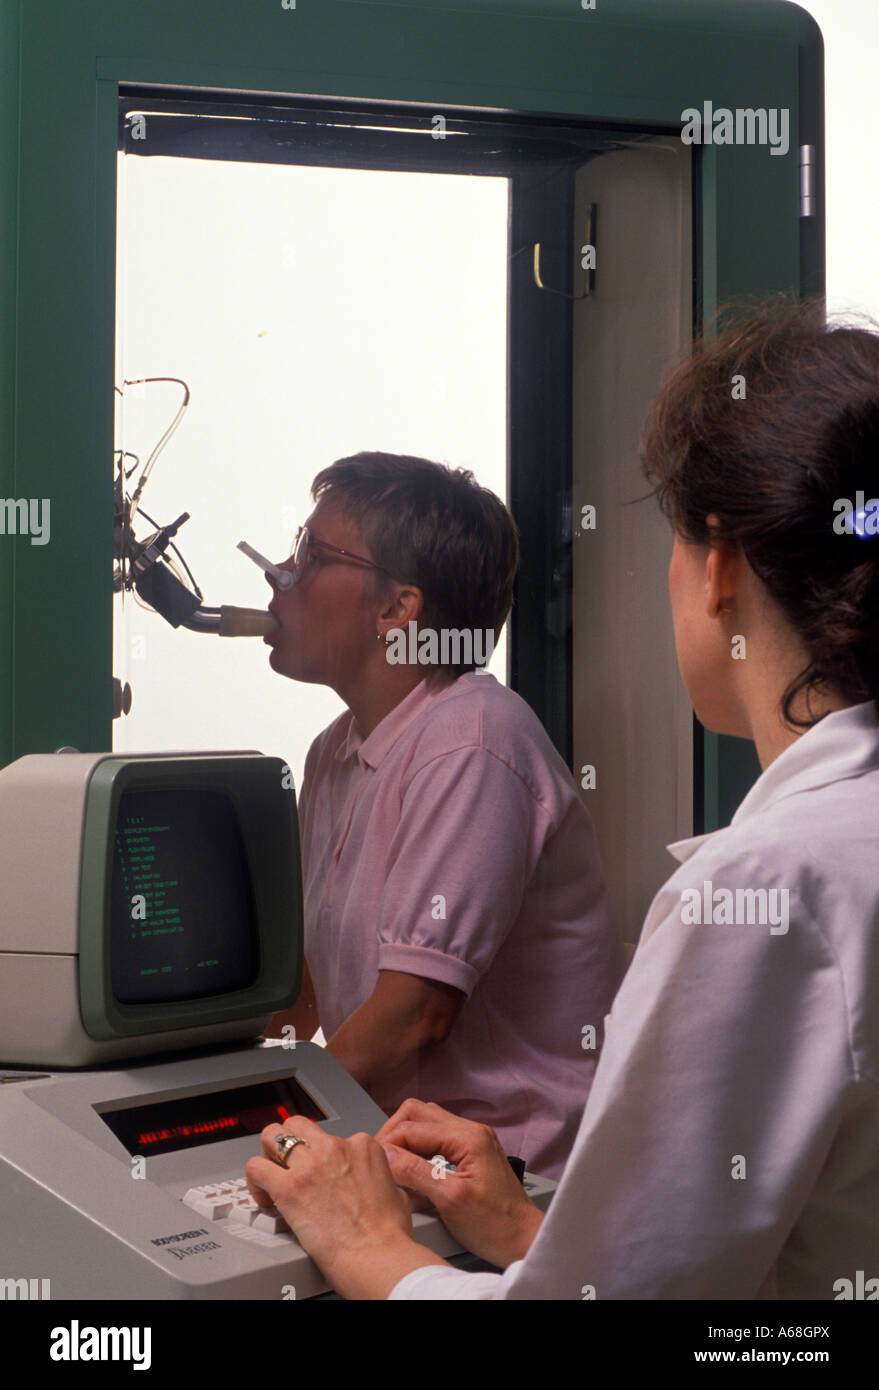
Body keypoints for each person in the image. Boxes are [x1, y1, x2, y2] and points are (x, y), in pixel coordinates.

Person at [245, 298, 879, 1299]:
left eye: (317, 555)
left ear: (718, 569)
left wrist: (368, 1247)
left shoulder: (769, 886)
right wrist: (529, 1230)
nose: (285, 573)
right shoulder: (832, 846)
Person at [262, 452, 626, 1180]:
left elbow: (412, 1015)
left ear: (399, 608)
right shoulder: (332, 754)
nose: (279, 572)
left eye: (311, 554)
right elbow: (304, 994)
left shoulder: (472, 740)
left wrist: (272, 1128)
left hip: (518, 1184)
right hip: (405, 1155)